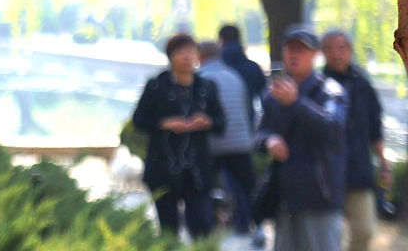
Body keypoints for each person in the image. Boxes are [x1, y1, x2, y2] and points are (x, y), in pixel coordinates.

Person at [255, 25, 348, 251]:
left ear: (315, 54)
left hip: (320, 197)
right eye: (290, 48)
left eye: (302, 49)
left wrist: (296, 103)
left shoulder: (330, 90)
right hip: (285, 196)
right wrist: (268, 141)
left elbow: (333, 127)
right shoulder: (272, 92)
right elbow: (258, 134)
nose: (295, 54)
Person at [133, 33, 226, 241]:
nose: (187, 56)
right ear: (170, 56)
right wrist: (164, 123)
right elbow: (139, 120)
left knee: (202, 227)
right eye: (181, 52)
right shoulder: (156, 85)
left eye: (191, 51)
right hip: (163, 169)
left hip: (198, 172)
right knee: (169, 231)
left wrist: (206, 122)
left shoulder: (206, 87)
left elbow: (221, 123)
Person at [322, 28, 389, 251]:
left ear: (349, 50)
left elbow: (375, 127)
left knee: (365, 230)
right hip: (326, 172)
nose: (336, 54)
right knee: (330, 234)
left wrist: (384, 164)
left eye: (341, 48)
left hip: (359, 169)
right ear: (323, 52)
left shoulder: (363, 84)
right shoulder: (317, 84)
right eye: (330, 48)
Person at [198, 40, 265, 247]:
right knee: (248, 187)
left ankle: (207, 232)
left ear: (200, 56)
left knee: (204, 188)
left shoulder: (201, 78)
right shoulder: (234, 77)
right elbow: (248, 110)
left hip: (213, 144)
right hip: (241, 142)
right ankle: (258, 227)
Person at [220, 24, 266, 111]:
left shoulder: (219, 69)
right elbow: (264, 96)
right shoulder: (253, 68)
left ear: (221, 41)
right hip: (247, 118)